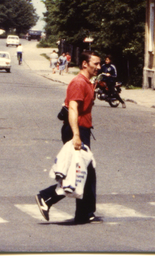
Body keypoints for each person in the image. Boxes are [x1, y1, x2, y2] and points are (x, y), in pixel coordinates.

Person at [36, 51, 101, 224]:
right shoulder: (78, 83)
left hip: (82, 129)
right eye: (95, 63)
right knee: (78, 172)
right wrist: (76, 135)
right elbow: (73, 109)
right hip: (76, 129)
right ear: (85, 64)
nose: (98, 67)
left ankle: (85, 213)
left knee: (87, 172)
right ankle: (46, 196)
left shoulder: (87, 82)